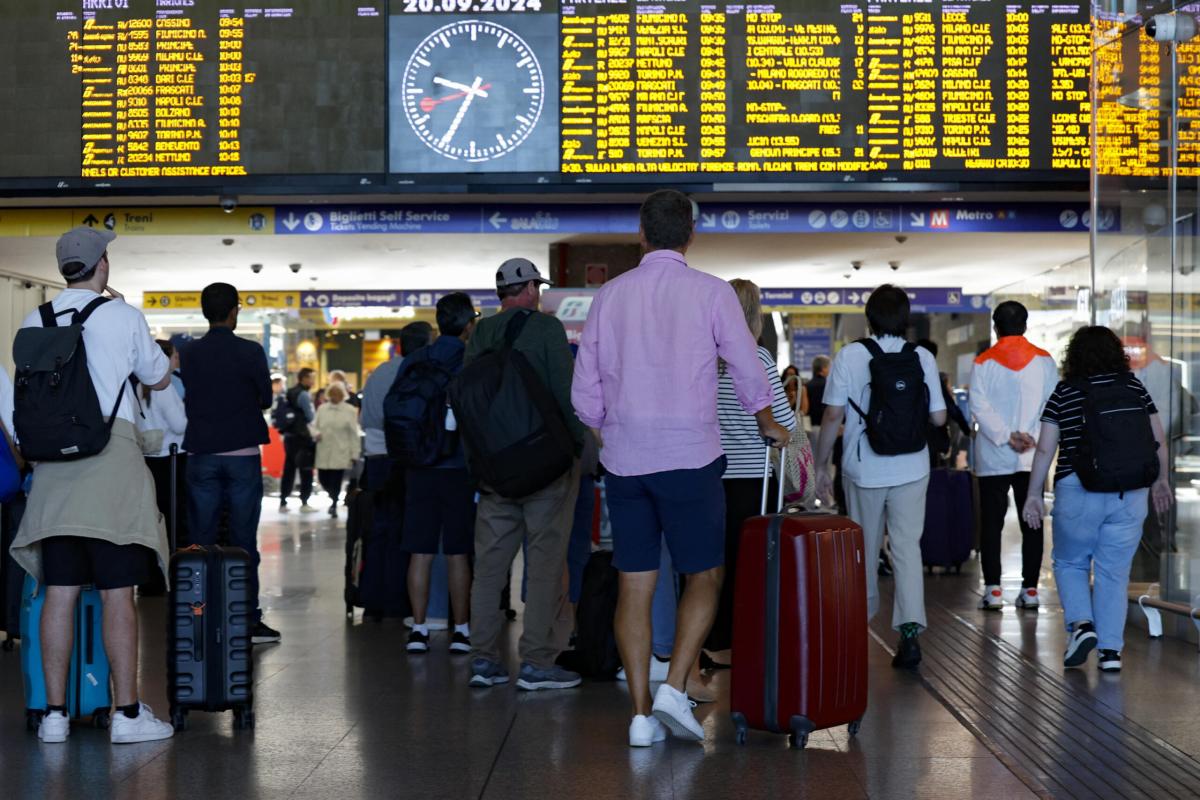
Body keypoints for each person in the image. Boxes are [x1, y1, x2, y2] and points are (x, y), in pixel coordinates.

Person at [573, 190, 790, 747]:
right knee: (704, 575)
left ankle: (642, 716)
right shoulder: (712, 293)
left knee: (635, 584)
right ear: (690, 236)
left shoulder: (609, 297)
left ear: (640, 234)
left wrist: (608, 429)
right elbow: (746, 366)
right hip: (690, 457)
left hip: (625, 463)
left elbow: (585, 390)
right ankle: (675, 686)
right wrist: (768, 420)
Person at [9, 226, 175, 743]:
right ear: (102, 264)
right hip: (110, 464)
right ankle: (126, 716)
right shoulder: (123, 315)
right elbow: (158, 377)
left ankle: (54, 717)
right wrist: (134, 327)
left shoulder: (35, 317)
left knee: (57, 592)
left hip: (54, 471)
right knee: (116, 594)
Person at [466, 257, 588, 692]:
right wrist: (581, 448)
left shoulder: (480, 332)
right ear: (532, 289)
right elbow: (565, 394)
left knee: (490, 567)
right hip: (544, 468)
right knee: (544, 564)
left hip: (495, 469)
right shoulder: (546, 329)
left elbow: (469, 402)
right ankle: (536, 661)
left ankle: (483, 659)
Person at [1023, 326, 1172, 672]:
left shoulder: (1066, 391)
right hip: (1131, 491)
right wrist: (1162, 480)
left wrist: (1033, 494)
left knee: (1070, 562)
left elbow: (1046, 447)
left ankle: (1082, 626)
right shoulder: (1134, 387)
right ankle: (1110, 653)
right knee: (1114, 572)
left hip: (1079, 489)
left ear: (1074, 356)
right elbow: (1158, 440)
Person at [812, 284, 946, 669]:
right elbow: (938, 417)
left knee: (863, 551)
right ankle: (909, 636)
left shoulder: (850, 356)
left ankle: (858, 630)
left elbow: (833, 416)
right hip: (913, 466)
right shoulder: (921, 356)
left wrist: (821, 466)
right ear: (905, 319)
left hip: (864, 467)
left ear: (869, 317)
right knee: (906, 548)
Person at [181, 282, 279, 644]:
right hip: (241, 454)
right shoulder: (250, 351)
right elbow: (266, 399)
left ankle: (199, 616)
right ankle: (247, 620)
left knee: (201, 541)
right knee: (243, 542)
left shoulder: (188, 352)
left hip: (201, 454)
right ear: (234, 311)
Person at [708, 279, 797, 661]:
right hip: (753, 479)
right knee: (751, 564)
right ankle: (743, 640)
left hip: (711, 474)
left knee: (713, 564)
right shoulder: (757, 358)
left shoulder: (705, 358)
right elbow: (785, 423)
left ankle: (713, 638)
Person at [967, 303, 1059, 610]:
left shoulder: (983, 362)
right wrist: (1030, 434)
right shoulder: (1044, 361)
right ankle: (1030, 590)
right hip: (1033, 453)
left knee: (991, 522)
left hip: (994, 454)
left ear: (996, 327)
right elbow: (1051, 404)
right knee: (1032, 520)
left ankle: (993, 589)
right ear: (1026, 324)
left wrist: (1007, 435)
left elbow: (978, 406)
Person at [402, 293, 478, 655]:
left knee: (420, 551)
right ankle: (461, 630)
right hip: (459, 467)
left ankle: (418, 629)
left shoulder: (415, 360)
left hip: (420, 467)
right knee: (458, 551)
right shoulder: (472, 361)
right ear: (468, 325)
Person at [358, 322, 435, 619]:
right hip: (408, 461)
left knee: (379, 531)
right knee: (411, 532)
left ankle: (374, 599)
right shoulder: (422, 374)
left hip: (376, 460)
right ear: (426, 345)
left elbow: (366, 421)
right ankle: (405, 602)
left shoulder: (379, 373)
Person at [140, 340, 189, 552]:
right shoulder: (165, 387)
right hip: (171, 458)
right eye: (175, 355)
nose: (177, 359)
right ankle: (172, 564)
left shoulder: (139, 384)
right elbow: (179, 425)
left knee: (155, 513)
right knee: (172, 515)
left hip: (148, 456)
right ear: (164, 358)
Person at [916, 339, 971, 467]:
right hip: (932, 438)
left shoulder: (908, 377)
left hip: (912, 439)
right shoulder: (933, 378)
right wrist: (967, 430)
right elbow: (951, 408)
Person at [313, 382, 361, 519]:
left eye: (337, 393)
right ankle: (332, 496)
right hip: (324, 449)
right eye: (332, 393)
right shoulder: (322, 409)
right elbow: (314, 425)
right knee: (323, 478)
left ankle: (333, 503)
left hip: (341, 450)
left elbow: (354, 433)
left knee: (336, 479)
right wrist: (316, 433)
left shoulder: (350, 410)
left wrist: (354, 453)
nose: (334, 396)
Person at [280, 368, 317, 513]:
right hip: (302, 437)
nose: (313, 382)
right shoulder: (303, 395)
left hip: (289, 436)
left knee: (289, 468)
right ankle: (304, 502)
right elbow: (310, 416)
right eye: (311, 378)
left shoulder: (289, 392)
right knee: (305, 469)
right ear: (304, 378)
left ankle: (283, 500)